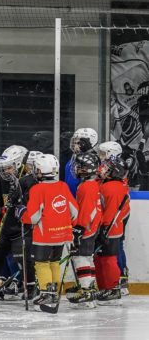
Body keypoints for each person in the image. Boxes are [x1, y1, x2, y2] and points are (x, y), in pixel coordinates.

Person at [19, 154, 78, 310]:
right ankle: (53, 291)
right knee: (54, 262)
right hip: (62, 235)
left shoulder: (37, 189)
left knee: (41, 263)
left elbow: (32, 217)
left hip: (44, 236)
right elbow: (75, 212)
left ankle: (45, 292)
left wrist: (21, 213)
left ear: (40, 170)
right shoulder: (63, 186)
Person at [0, 145, 37, 300]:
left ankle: (28, 285)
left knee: (22, 256)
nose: (4, 172)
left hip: (21, 227)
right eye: (3, 168)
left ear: (19, 165)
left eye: (8, 168)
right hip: (3, 224)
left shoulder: (30, 182)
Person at [65, 152, 102, 309]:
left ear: (88, 169)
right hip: (91, 227)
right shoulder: (92, 184)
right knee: (87, 258)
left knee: (80, 259)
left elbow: (86, 211)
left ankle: (86, 290)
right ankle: (90, 289)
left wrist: (78, 229)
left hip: (86, 228)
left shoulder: (86, 187)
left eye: (80, 167)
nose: (77, 169)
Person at [94, 156, 130, 305]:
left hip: (110, 229)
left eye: (106, 167)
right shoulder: (112, 184)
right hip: (110, 228)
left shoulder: (112, 187)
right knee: (101, 259)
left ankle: (113, 289)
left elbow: (110, 212)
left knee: (108, 259)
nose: (102, 168)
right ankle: (105, 288)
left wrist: (104, 229)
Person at [64, 128, 99, 197]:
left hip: (81, 199)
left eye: (78, 143)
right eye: (74, 141)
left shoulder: (91, 162)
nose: (74, 145)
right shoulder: (72, 159)